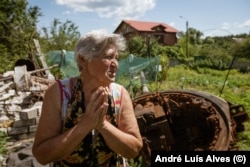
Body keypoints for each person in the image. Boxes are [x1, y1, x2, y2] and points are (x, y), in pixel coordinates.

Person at [32, 30, 143, 166]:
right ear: (83, 60)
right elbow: (42, 155)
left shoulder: (120, 94)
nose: (115, 64)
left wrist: (103, 125)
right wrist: (85, 125)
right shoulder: (58, 93)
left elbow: (134, 149)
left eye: (117, 58)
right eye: (108, 57)